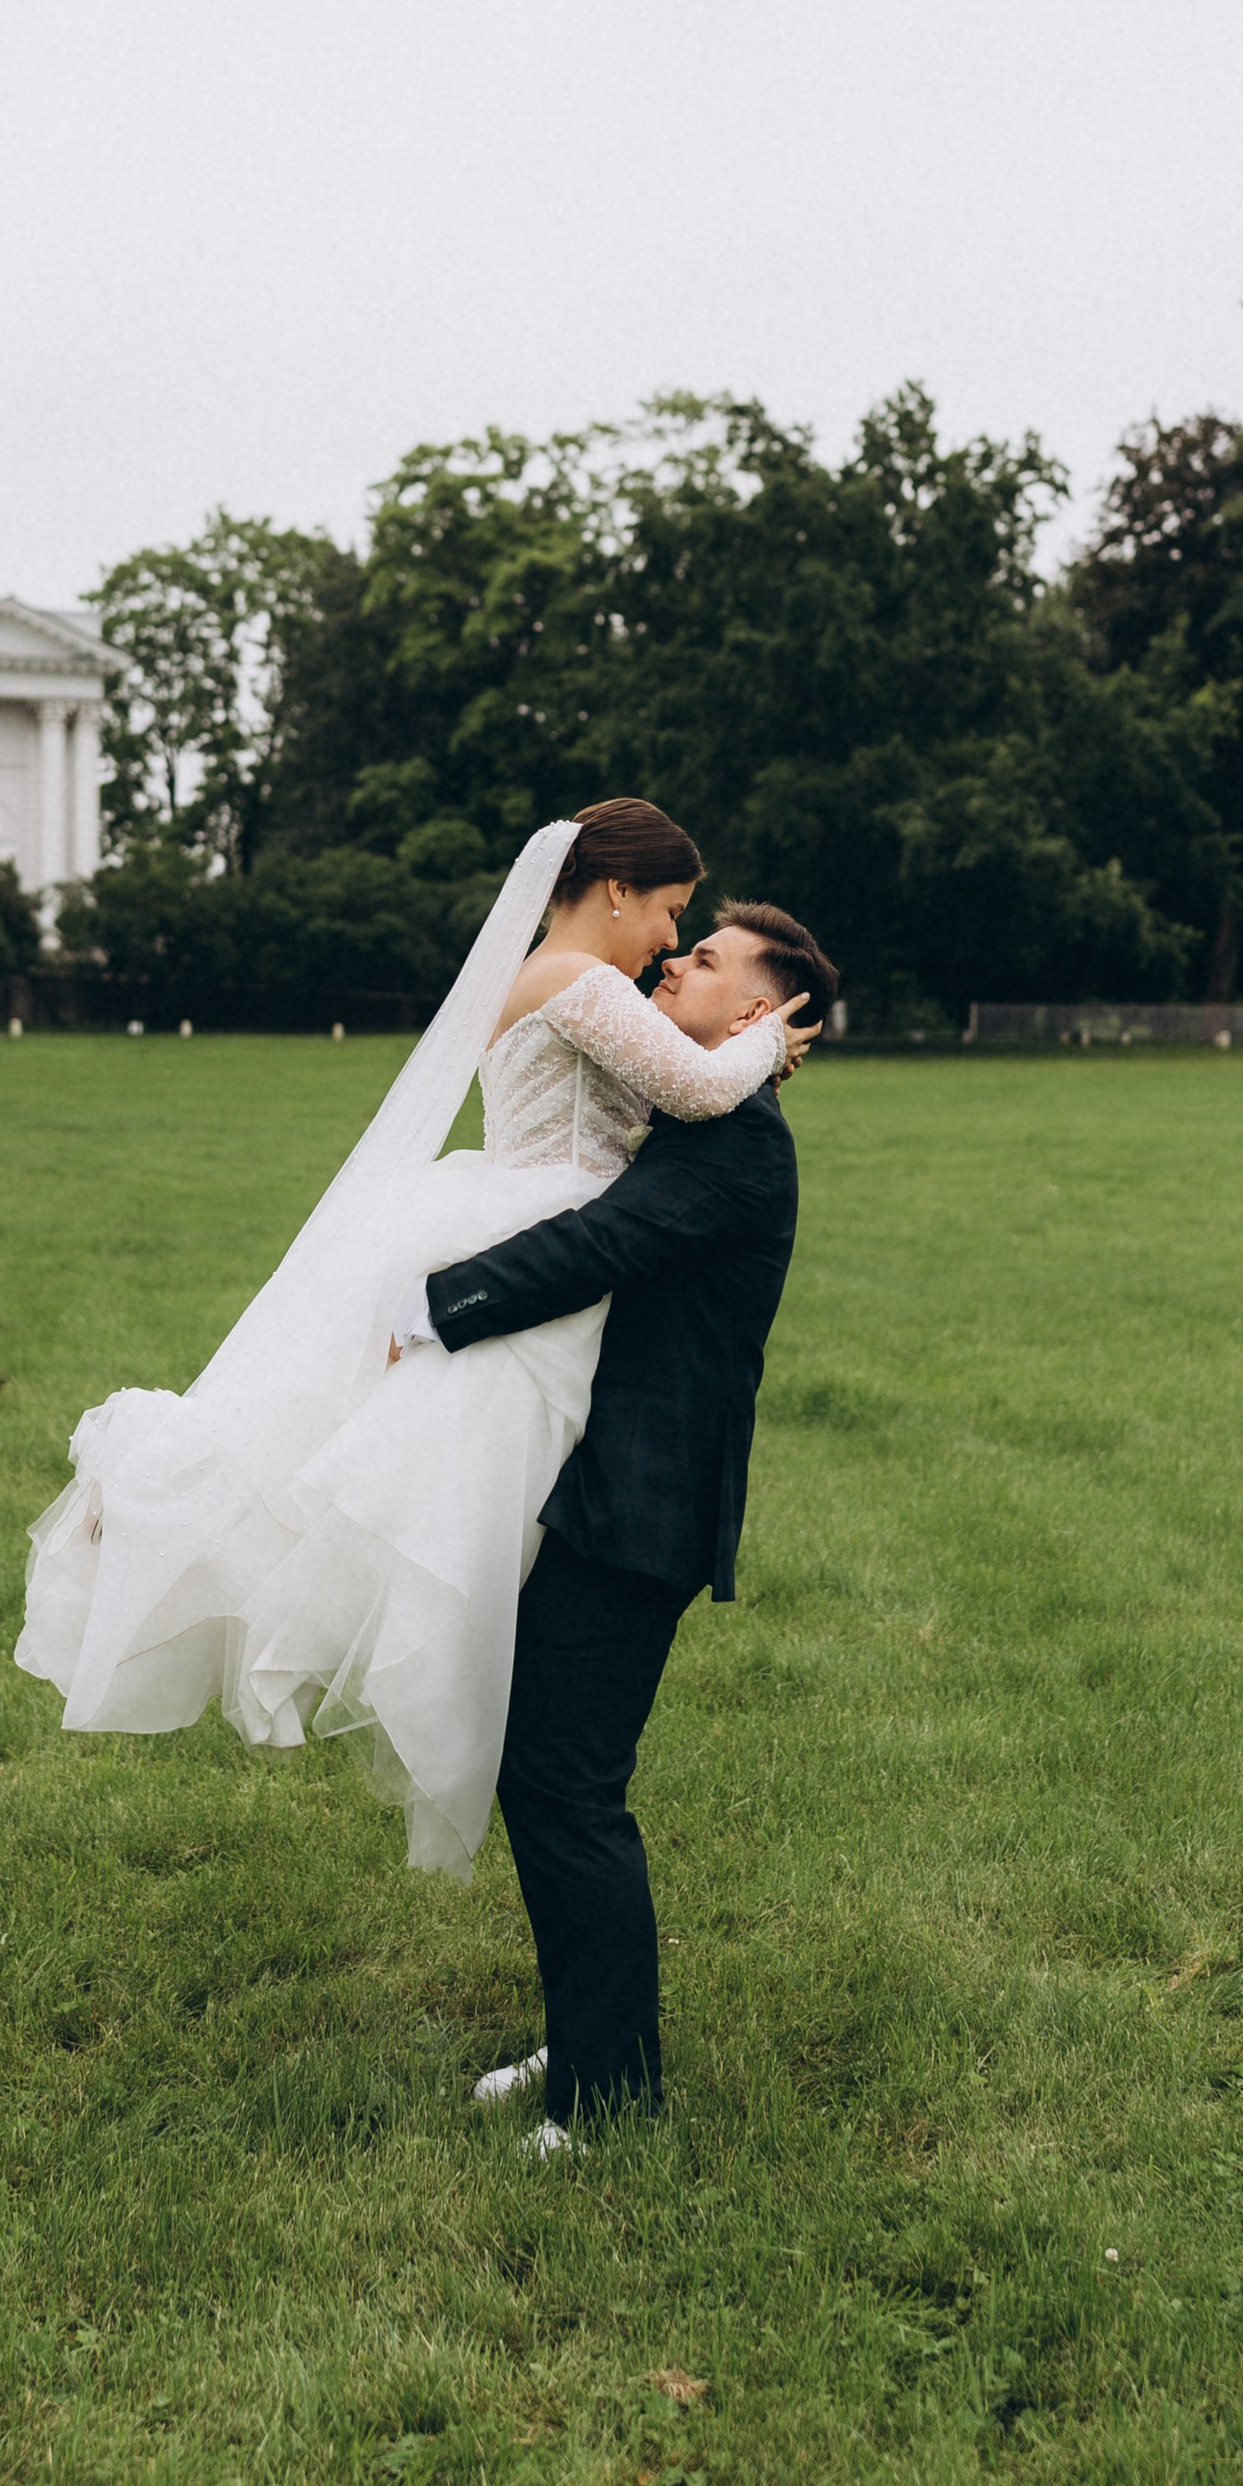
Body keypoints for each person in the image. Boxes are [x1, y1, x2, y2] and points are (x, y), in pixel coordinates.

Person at [16, 803, 823, 1878]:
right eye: (671, 913)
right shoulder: (579, 981)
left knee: (400, 1473)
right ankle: (171, 1494)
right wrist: (768, 1035)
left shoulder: (567, 980)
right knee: (409, 1486)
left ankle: (209, 1510)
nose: (669, 945)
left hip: (535, 1229)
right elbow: (695, 1084)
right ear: (619, 890)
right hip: (532, 1232)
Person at [401, 896, 834, 2149]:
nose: (672, 961)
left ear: (751, 1013)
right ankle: (592, 2039)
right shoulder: (702, 1112)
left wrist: (432, 1308)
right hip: (599, 1484)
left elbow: (596, 1243)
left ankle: (608, 2098)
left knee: (567, 1784)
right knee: (549, 1775)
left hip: (641, 1502)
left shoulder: (736, 1146)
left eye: (702, 961)